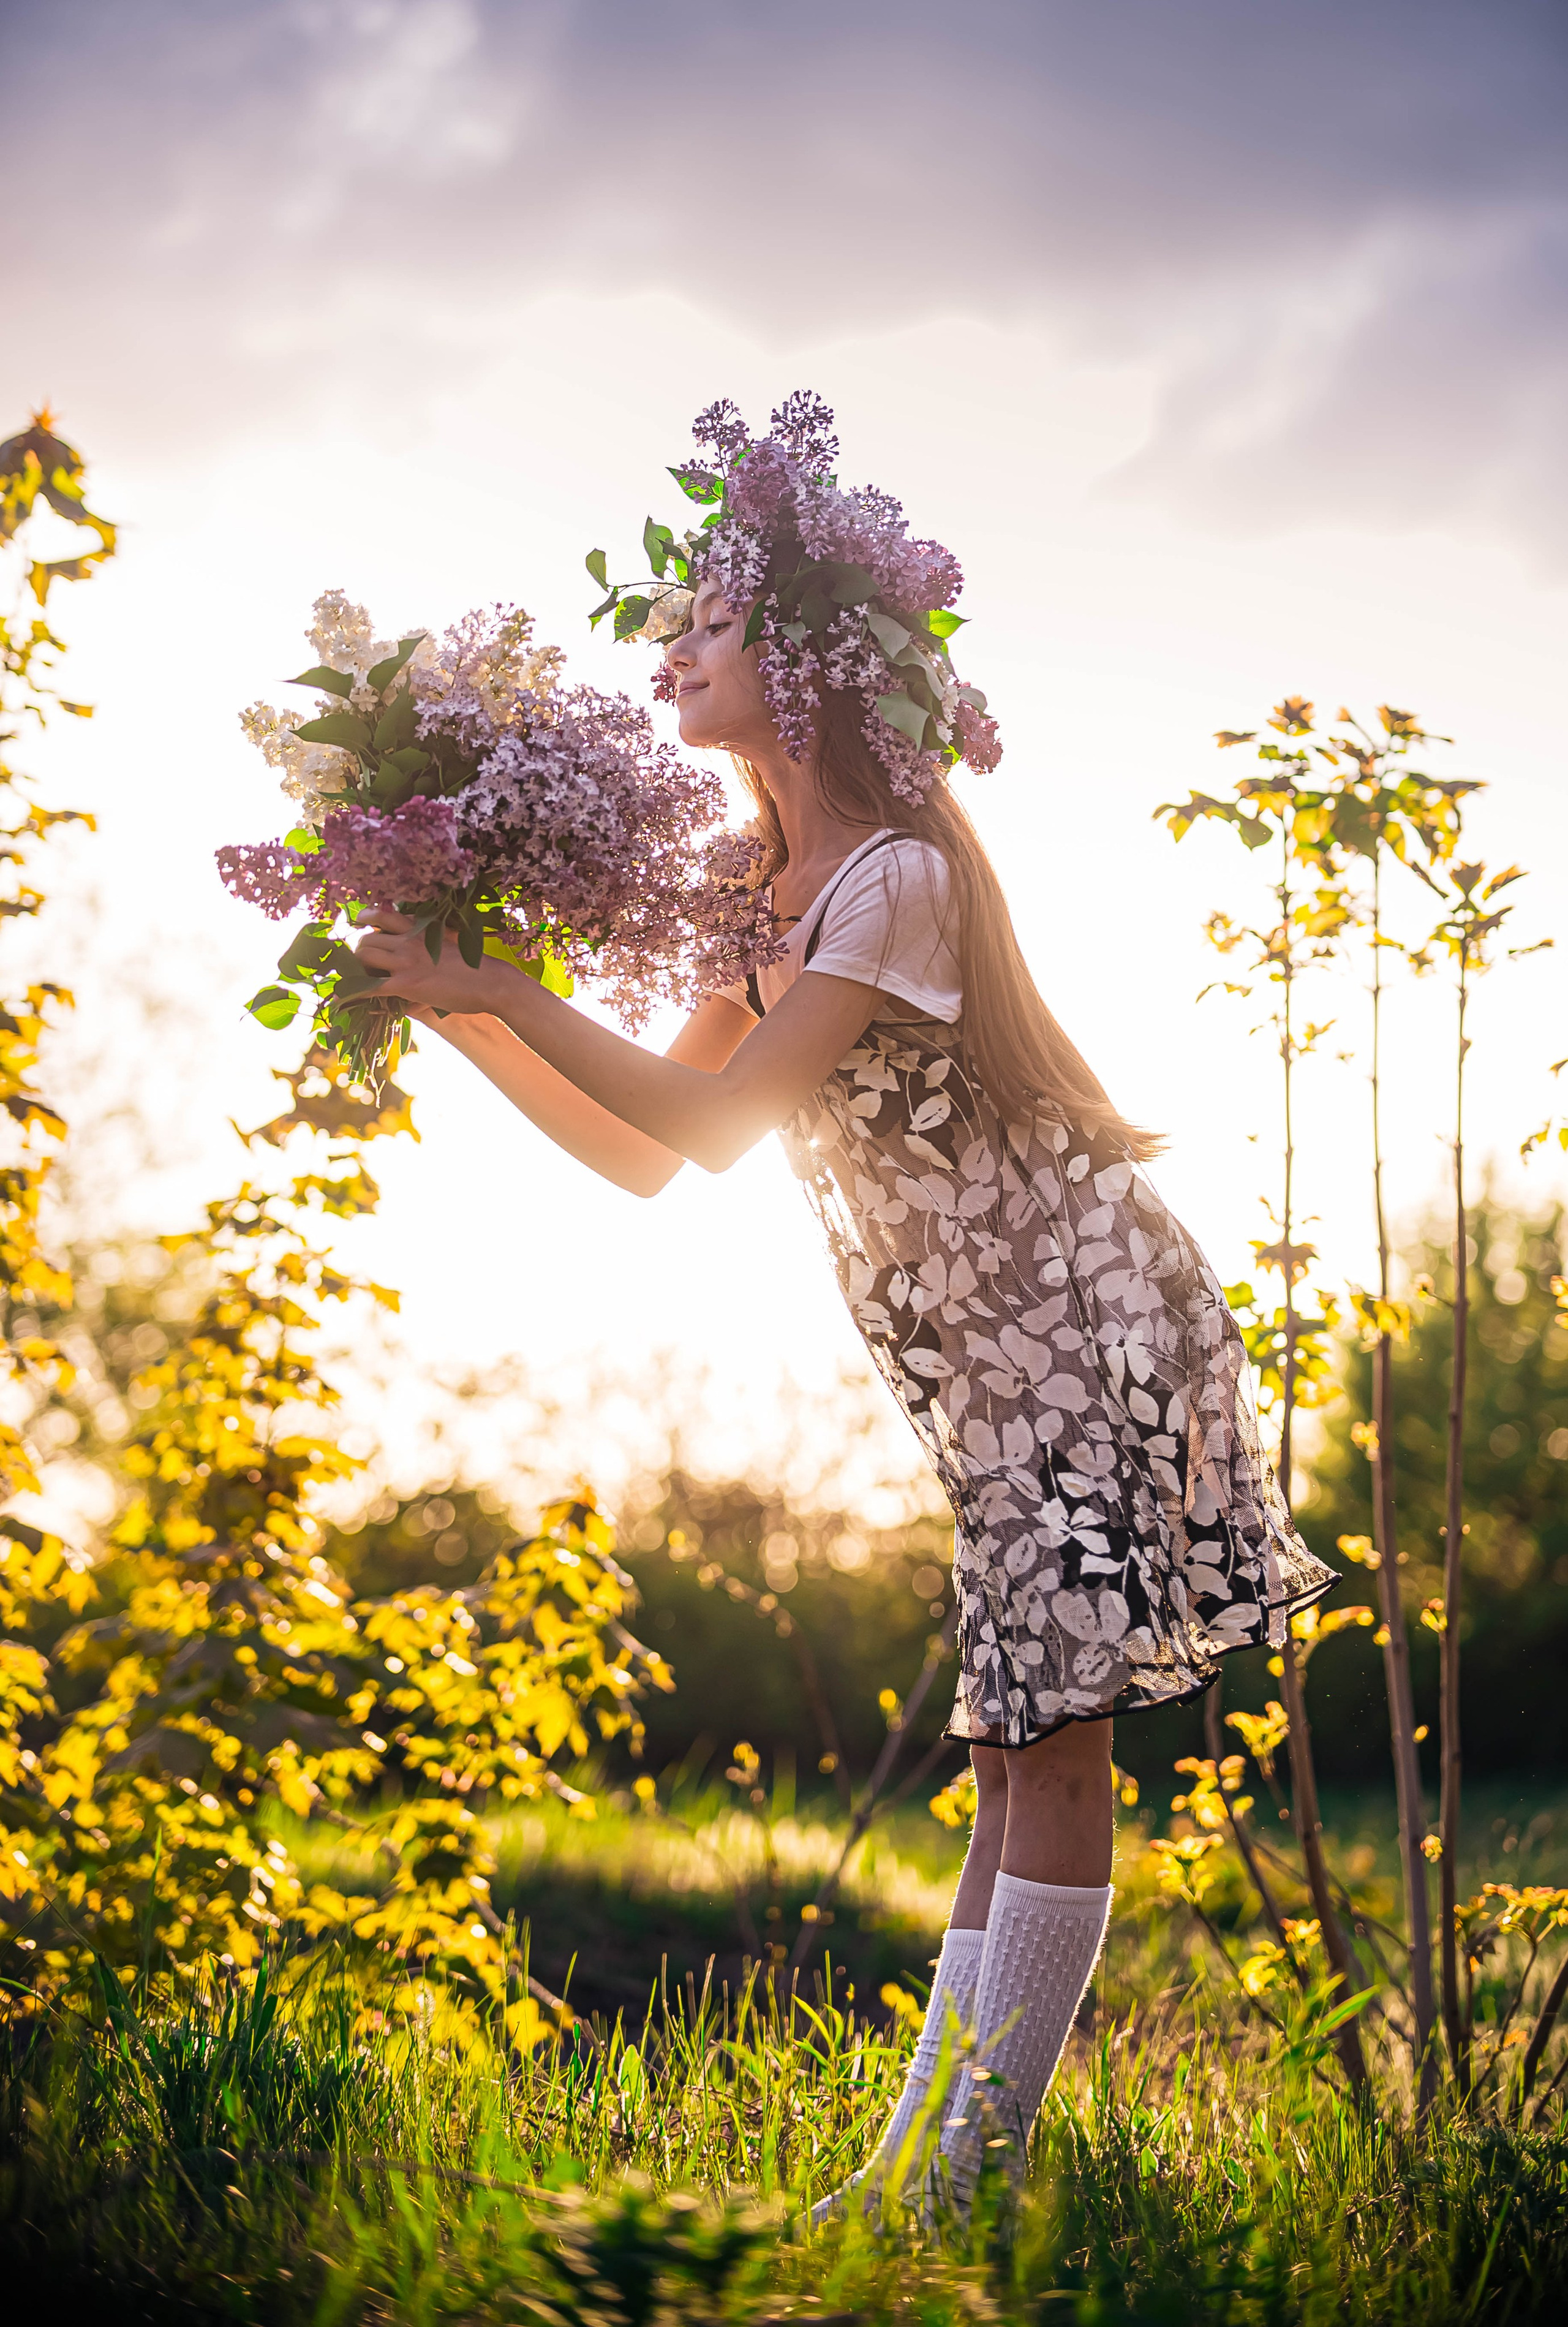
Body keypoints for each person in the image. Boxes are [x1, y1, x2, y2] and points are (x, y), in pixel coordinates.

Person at [355, 395, 1336, 2215]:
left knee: (1046, 1734)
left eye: (706, 623)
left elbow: (718, 1123)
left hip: (1082, 1315)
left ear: (804, 657)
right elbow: (651, 1158)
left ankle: (960, 2187)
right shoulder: (759, 892)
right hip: (979, 1352)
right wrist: (470, 1012)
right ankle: (919, 2182)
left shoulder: (894, 878)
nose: (666, 649)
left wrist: (504, 979)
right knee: (1012, 1734)